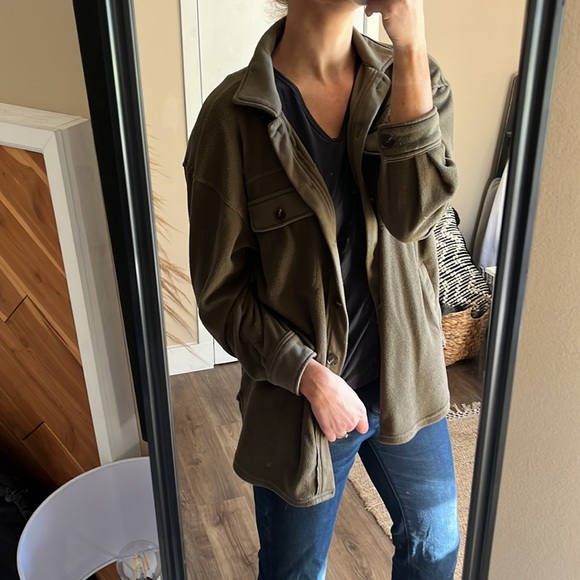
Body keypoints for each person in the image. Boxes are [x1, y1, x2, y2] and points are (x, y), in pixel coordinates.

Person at [184, 0, 460, 578]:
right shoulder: (231, 121)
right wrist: (309, 377)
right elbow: (221, 295)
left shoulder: (416, 79)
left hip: (407, 381)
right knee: (293, 570)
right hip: (303, 408)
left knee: (436, 551)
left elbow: (413, 217)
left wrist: (411, 44)